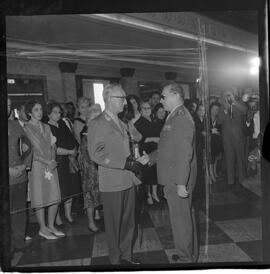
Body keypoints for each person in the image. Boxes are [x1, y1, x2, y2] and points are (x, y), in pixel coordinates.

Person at [87, 83, 149, 265]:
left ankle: (127, 257)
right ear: (109, 99)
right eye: (121, 98)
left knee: (129, 222)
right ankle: (115, 261)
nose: (125, 102)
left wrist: (136, 161)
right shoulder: (97, 123)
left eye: (124, 98)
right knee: (114, 225)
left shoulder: (122, 123)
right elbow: (96, 154)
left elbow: (125, 150)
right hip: (112, 182)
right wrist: (126, 164)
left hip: (127, 180)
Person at [148, 83, 198, 263]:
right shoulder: (174, 115)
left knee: (181, 221)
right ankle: (187, 252)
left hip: (177, 177)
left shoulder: (181, 117)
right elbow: (168, 146)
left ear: (176, 95)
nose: (161, 100)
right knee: (183, 218)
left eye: (164, 96)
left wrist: (181, 182)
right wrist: (150, 158)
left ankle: (186, 260)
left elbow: (185, 152)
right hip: (174, 175)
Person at [24, 100, 64, 240]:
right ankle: (42, 228)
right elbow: (30, 151)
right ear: (29, 112)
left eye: (40, 109)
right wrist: (47, 161)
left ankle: (51, 225)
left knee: (55, 196)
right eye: (36, 109)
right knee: (40, 197)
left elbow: (53, 145)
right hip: (37, 166)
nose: (39, 112)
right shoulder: (26, 128)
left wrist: (52, 160)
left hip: (51, 164)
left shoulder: (46, 127)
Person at [47, 101, 80, 224]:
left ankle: (68, 214)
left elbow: (72, 139)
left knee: (70, 189)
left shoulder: (62, 124)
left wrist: (74, 151)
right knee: (59, 190)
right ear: (49, 113)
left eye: (59, 112)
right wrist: (69, 152)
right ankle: (57, 217)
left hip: (69, 160)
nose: (58, 114)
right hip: (58, 162)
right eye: (55, 112)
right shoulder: (47, 126)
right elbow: (53, 149)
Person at [8, 97, 32, 255]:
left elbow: (28, 146)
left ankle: (19, 241)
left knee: (19, 211)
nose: (6, 108)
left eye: (8, 105)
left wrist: (24, 165)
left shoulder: (15, 125)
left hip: (20, 176)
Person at [217, 89, 247, 188]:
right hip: (227, 139)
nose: (228, 97)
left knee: (240, 158)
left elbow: (245, 111)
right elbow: (219, 122)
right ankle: (230, 181)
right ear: (224, 97)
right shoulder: (222, 108)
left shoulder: (237, 105)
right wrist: (225, 111)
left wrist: (234, 103)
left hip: (238, 137)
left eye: (229, 95)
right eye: (226, 95)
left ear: (233, 96)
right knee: (229, 159)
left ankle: (242, 179)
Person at [79, 104, 102, 232]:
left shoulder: (97, 132)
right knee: (89, 197)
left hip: (99, 168)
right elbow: (87, 155)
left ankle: (97, 214)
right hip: (90, 170)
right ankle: (91, 222)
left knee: (98, 195)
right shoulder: (86, 134)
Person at [134, 101, 160, 204]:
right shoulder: (138, 122)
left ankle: (155, 193)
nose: (147, 110)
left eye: (148, 108)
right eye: (144, 108)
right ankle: (148, 195)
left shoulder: (153, 120)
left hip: (155, 150)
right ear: (140, 110)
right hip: (145, 150)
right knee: (147, 174)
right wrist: (153, 139)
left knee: (155, 173)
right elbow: (138, 139)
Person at [209, 102, 222, 179]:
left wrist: (218, 133)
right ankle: (211, 175)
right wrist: (211, 131)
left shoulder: (218, 119)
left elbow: (220, 131)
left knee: (216, 158)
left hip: (216, 141)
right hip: (209, 142)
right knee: (211, 158)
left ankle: (214, 172)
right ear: (210, 109)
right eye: (213, 109)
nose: (215, 111)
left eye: (217, 109)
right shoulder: (206, 118)